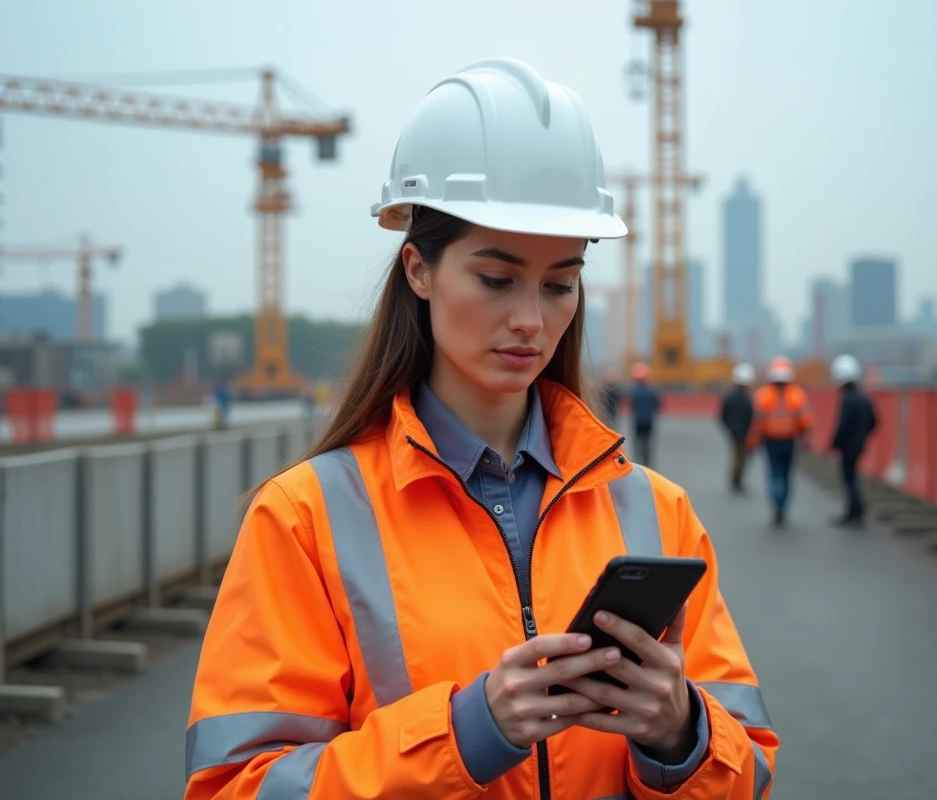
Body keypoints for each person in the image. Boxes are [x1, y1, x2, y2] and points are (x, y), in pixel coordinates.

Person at [183, 58, 776, 800]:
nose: (532, 320)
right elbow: (237, 786)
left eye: (560, 283)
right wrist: (464, 734)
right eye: (496, 279)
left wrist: (681, 734)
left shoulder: (660, 513)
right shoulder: (303, 519)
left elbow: (748, 770)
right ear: (418, 270)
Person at [748, 356, 812, 527]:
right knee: (786, 475)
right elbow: (806, 421)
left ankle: (776, 506)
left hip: (771, 442)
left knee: (774, 475)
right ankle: (782, 506)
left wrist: (753, 441)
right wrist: (806, 438)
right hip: (790, 440)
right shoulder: (797, 395)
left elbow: (757, 423)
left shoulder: (763, 395)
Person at [830, 354, 878, 526]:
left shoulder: (847, 400)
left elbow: (842, 425)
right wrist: (862, 435)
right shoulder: (864, 397)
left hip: (848, 446)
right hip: (859, 444)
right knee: (853, 477)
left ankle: (854, 510)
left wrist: (834, 443)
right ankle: (855, 509)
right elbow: (874, 422)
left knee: (848, 478)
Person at [719, 362, 756, 493]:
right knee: (741, 457)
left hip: (734, 432)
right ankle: (737, 482)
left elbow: (722, 416)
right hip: (744, 433)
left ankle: (736, 480)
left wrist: (729, 429)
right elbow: (752, 416)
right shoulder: (747, 399)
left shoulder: (729, 397)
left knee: (737, 456)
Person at [628, 361, 662, 467]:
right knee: (647, 443)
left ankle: (637, 464)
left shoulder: (634, 392)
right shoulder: (652, 391)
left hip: (638, 421)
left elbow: (632, 406)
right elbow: (657, 406)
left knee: (637, 442)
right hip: (649, 421)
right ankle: (647, 464)